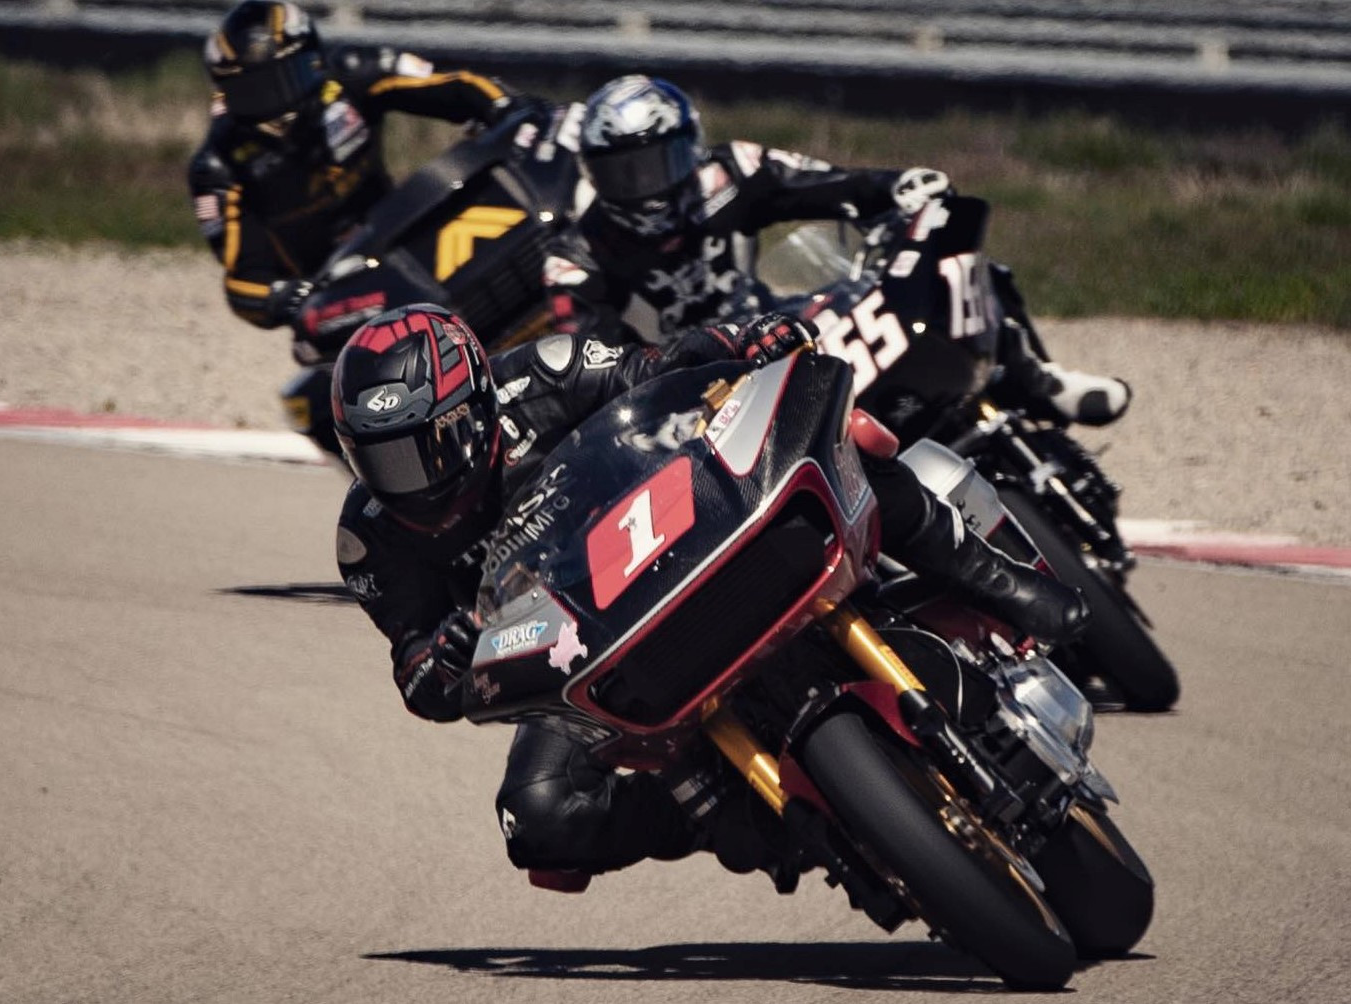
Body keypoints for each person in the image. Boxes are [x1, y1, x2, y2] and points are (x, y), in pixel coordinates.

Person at [333, 301, 1088, 888]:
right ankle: (715, 808)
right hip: (578, 649)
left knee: (835, 436)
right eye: (377, 460)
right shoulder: (371, 539)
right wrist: (441, 656)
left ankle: (993, 577)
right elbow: (418, 675)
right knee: (538, 822)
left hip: (677, 529)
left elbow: (664, 367)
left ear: (468, 411)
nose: (404, 479)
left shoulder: (544, 371)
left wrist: (744, 338)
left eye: (415, 449)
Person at [544, 74, 1130, 427]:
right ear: (596, 174)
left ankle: (1038, 379)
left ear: (690, 150)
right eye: (627, 173)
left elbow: (833, 185)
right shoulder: (578, 259)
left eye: (660, 163)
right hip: (703, 393)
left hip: (786, 326)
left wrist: (897, 187)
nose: (648, 186)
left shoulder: (734, 172)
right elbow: (592, 369)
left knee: (965, 270)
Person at [187, 0, 530, 347]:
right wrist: (286, 298)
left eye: (283, 82)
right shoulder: (218, 166)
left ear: (311, 61)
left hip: (403, 236)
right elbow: (243, 282)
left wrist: (505, 109)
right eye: (251, 94)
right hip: (340, 295)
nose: (275, 107)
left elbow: (455, 85)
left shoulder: (351, 72)